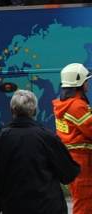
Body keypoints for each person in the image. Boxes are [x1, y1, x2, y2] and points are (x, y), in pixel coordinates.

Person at [0, 89, 79, 214]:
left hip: (13, 208)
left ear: (12, 110)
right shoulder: (47, 137)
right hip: (49, 207)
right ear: (34, 111)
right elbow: (69, 173)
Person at [53, 63, 92, 214]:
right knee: (85, 202)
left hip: (74, 159)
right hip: (82, 161)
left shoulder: (64, 103)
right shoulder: (77, 106)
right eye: (86, 81)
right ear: (79, 84)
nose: (88, 84)